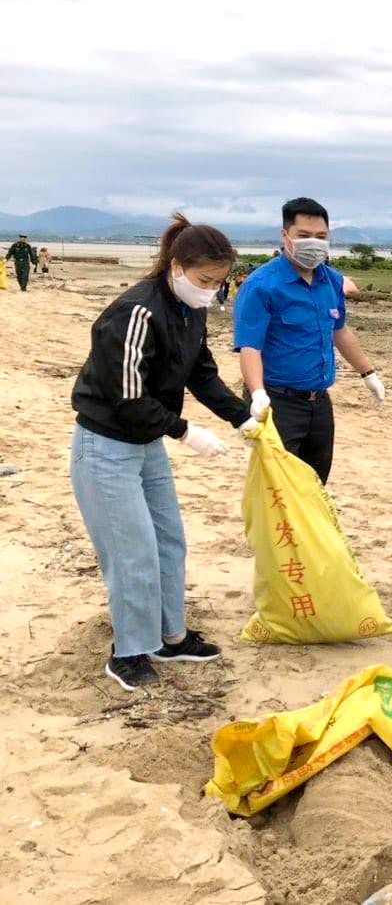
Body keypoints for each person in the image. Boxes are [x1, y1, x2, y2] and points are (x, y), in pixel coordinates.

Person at [70, 214, 256, 691]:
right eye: (204, 281)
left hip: (146, 443)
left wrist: (242, 417)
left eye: (219, 283)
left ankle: (171, 637)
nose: (211, 291)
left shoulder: (190, 311)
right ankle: (129, 651)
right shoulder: (136, 311)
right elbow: (126, 397)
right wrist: (184, 432)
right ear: (176, 267)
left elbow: (202, 372)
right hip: (107, 444)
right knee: (131, 550)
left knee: (169, 541)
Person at [233, 198, 385, 484]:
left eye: (321, 237)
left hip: (319, 403)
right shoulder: (261, 285)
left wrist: (368, 373)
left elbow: (339, 331)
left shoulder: (331, 280)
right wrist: (257, 393)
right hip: (278, 403)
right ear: (285, 236)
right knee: (280, 488)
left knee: (315, 485)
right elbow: (250, 346)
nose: (313, 243)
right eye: (304, 236)